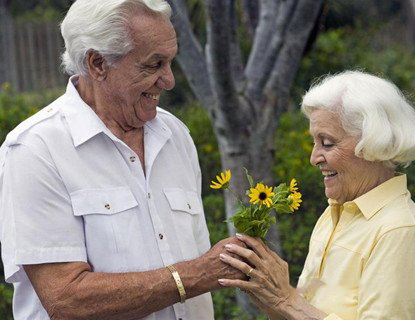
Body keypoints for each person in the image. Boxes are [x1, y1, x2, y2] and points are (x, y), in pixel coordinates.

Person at [0, 1, 245, 319]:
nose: (169, 80)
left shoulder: (176, 135)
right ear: (98, 63)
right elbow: (65, 299)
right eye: (153, 64)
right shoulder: (36, 149)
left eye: (170, 62)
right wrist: (193, 276)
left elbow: (200, 259)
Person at [218, 71, 415, 319]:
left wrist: (285, 299)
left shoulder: (399, 230)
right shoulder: (334, 212)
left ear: (373, 143)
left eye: (327, 143)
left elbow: (294, 305)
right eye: (315, 142)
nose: (314, 158)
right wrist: (264, 288)